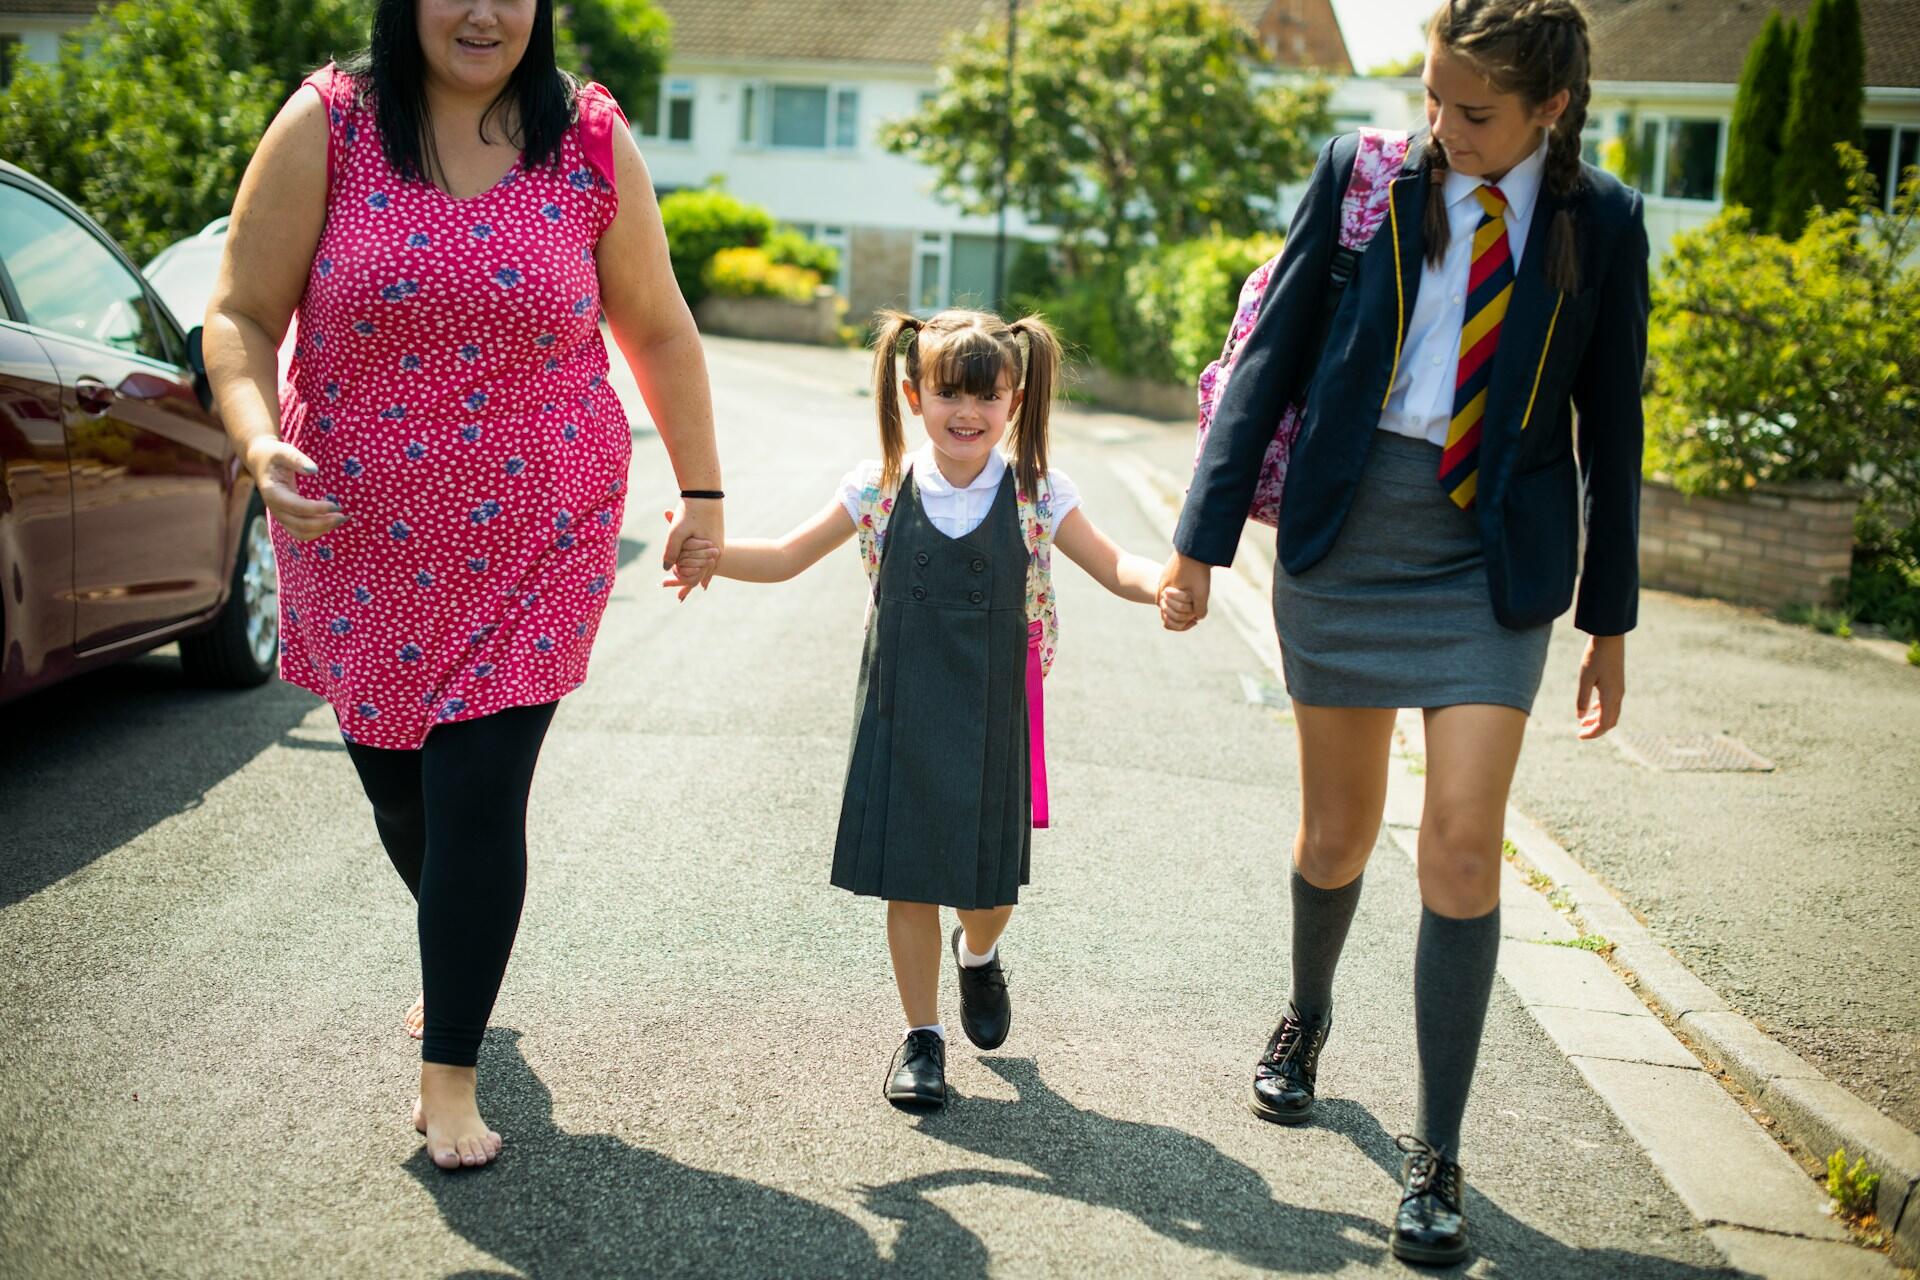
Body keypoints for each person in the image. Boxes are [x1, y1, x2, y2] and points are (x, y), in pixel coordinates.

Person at [1158, 0, 1647, 1264]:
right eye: (1432, 96)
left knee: (1464, 846)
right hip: (1344, 536)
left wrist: (1610, 622)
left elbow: (1614, 435)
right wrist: (1199, 543)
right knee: (1336, 832)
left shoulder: (1604, 223)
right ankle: (1308, 1014)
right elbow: (1269, 358)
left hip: (1490, 566)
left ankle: (1439, 1153)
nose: (1443, 126)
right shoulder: (1367, 177)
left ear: (1550, 107)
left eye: (1473, 112)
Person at [203, 0, 722, 1171]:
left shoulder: (585, 138)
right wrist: (252, 434)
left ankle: (450, 1070)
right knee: (406, 797)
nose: (483, 11)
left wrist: (706, 493)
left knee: (480, 787)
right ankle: (460, 949)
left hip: (540, 532)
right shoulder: (329, 124)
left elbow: (659, 325)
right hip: (356, 531)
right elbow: (239, 312)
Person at [666, 309, 1192, 1108]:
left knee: (988, 894)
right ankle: (922, 1038)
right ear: (914, 395)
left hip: (994, 708)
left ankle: (976, 957)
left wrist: (1163, 584)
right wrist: (711, 554)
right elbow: (783, 556)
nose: (967, 414)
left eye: (986, 396)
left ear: (1014, 399)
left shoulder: (1038, 490)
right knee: (908, 879)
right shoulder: (877, 486)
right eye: (949, 394)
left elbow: (1114, 561)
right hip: (900, 706)